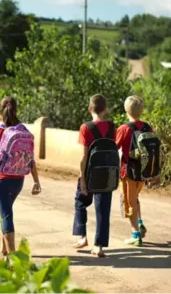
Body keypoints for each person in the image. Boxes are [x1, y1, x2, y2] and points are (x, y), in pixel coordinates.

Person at [0, 96, 42, 256]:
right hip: (18, 180)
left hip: (1, 179)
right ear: (16, 111)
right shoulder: (23, 130)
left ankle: (12, 256)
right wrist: (36, 180)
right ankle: (4, 248)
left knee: (5, 215)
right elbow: (30, 159)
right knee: (6, 210)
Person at [72, 94, 116, 258]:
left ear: (90, 109)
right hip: (107, 173)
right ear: (105, 110)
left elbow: (84, 156)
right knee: (103, 209)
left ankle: (81, 236)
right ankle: (99, 247)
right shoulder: (112, 127)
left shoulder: (86, 127)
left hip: (90, 173)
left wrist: (82, 178)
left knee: (80, 201)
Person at [116, 95, 161, 246]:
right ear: (141, 110)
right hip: (144, 172)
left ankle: (135, 235)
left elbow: (114, 147)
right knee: (135, 199)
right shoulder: (148, 127)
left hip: (128, 172)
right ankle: (140, 222)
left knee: (129, 202)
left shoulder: (124, 129)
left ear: (126, 110)